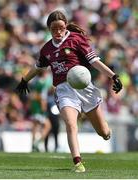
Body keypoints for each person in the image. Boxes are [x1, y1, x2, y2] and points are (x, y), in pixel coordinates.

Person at [16, 10, 122, 172]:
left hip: (85, 89)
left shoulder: (76, 39)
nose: (58, 32)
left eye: (61, 28)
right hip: (64, 90)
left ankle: (106, 131)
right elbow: (38, 67)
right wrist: (25, 80)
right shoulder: (46, 49)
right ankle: (77, 162)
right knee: (71, 124)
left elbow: (94, 61)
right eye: (54, 29)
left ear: (65, 26)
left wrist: (113, 76)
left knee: (103, 132)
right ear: (48, 29)